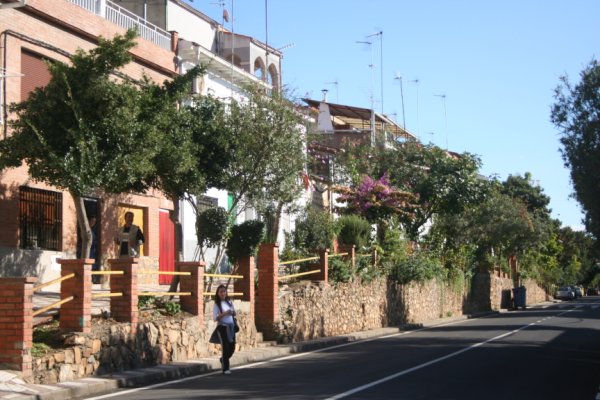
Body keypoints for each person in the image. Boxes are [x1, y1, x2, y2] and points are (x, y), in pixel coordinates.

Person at [211, 284, 237, 375]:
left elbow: (234, 313)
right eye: (221, 292)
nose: (223, 293)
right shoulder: (217, 304)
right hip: (222, 327)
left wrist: (233, 312)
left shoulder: (229, 302)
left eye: (224, 291)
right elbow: (215, 318)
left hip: (231, 327)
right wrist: (224, 314)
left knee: (232, 348)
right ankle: (226, 368)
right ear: (218, 293)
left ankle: (223, 359)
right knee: (225, 348)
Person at [88, 216, 100, 284]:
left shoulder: (92, 230)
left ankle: (93, 279)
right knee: (89, 265)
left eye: (95, 222)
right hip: (89, 250)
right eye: (92, 221)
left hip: (93, 251)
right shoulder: (87, 230)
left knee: (93, 265)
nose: (93, 223)